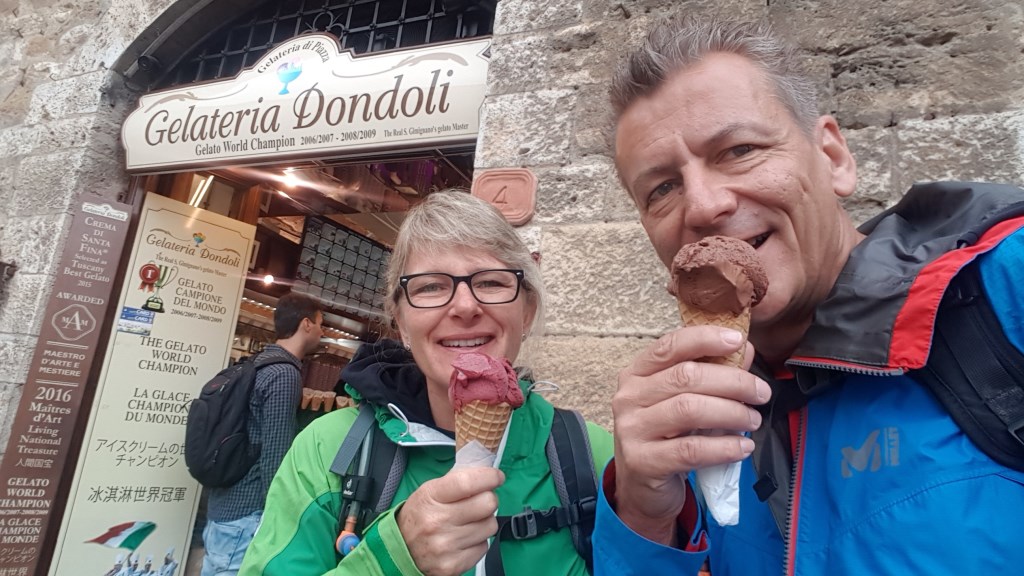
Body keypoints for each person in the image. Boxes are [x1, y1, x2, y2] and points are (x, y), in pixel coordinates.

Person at [593, 13, 1024, 575]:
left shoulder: (1004, 285)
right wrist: (645, 518)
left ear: (833, 158)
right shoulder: (690, 419)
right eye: (662, 188)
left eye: (739, 150)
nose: (703, 205)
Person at [239, 190, 613, 575]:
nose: (465, 306)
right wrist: (392, 558)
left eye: (491, 282)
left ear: (527, 311)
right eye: (431, 286)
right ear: (401, 322)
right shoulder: (328, 451)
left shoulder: (593, 456)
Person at [201, 292, 324, 576]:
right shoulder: (284, 373)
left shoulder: (256, 363)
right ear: (306, 324)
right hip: (247, 513)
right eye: (320, 324)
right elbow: (275, 454)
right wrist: (281, 515)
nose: (322, 331)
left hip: (224, 505)